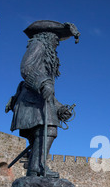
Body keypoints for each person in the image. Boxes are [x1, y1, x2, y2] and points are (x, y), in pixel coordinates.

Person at [5, 20, 80, 178]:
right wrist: (44, 82)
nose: (57, 43)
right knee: (49, 129)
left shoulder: (47, 55)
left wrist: (60, 108)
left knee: (45, 133)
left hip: (38, 99)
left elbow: (49, 93)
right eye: (56, 39)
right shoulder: (38, 45)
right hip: (30, 99)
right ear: (47, 36)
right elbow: (26, 68)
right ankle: (38, 168)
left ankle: (36, 168)